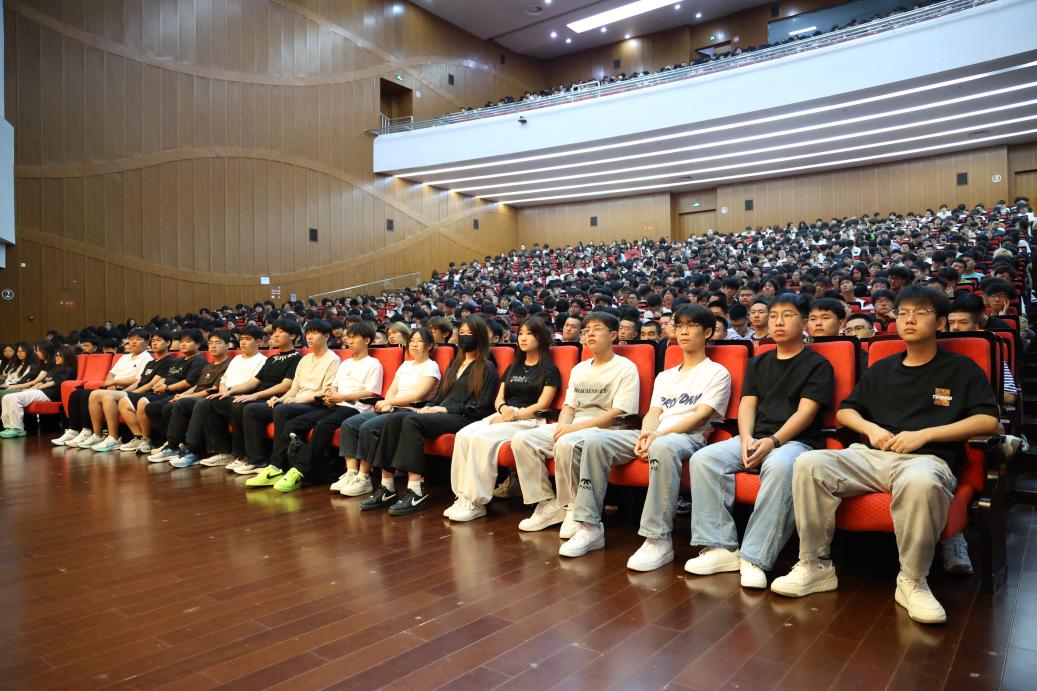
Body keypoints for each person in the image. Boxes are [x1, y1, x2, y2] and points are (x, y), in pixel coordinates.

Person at [772, 286, 1000, 624]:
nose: (909, 319)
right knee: (808, 463)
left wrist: (925, 434)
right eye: (903, 312)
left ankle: (913, 580)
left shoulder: (961, 369)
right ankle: (815, 565)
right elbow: (846, 411)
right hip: (872, 455)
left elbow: (989, 420)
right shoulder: (882, 368)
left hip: (926, 459)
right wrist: (871, 429)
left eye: (920, 313)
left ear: (940, 323)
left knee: (921, 481)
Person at [560, 305, 732, 566]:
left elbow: (700, 416)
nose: (684, 331)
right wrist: (647, 434)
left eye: (692, 325)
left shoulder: (717, 372)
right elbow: (654, 412)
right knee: (595, 442)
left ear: (708, 332)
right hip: (655, 432)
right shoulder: (665, 376)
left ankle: (657, 538)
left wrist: (657, 435)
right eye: (680, 325)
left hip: (688, 436)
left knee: (662, 447)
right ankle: (589, 526)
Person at [685, 293, 833, 589]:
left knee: (780, 465)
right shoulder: (758, 362)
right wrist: (746, 439)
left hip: (795, 442)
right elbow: (747, 404)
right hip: (756, 437)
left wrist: (774, 441)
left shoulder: (818, 364)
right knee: (704, 459)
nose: (778, 322)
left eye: (787, 315)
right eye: (774, 315)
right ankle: (720, 547)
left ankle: (755, 557)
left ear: (804, 322)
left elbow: (806, 413)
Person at [511, 311, 640, 537]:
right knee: (523, 440)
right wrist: (562, 427)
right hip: (575, 426)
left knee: (567, 442)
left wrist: (571, 430)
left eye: (597, 329)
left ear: (613, 335)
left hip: (605, 430)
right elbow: (569, 407)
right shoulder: (579, 368)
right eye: (586, 330)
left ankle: (573, 508)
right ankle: (546, 504)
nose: (590, 334)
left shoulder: (625, 367)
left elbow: (618, 413)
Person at [358, 316, 499, 514]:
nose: (465, 337)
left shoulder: (487, 367)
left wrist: (446, 409)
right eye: (462, 333)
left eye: (470, 334)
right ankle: (387, 486)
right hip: (443, 412)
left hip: (465, 417)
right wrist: (430, 406)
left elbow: (482, 406)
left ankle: (415, 490)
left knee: (412, 420)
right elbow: (441, 396)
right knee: (393, 418)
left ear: (480, 337)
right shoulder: (455, 364)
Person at [445, 316, 561, 522]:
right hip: (504, 414)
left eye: (529, 334)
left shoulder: (549, 369)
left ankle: (476, 502)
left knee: (481, 438)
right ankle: (462, 496)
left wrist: (514, 415)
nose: (523, 338)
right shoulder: (513, 366)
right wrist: (504, 410)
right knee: (463, 435)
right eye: (521, 333)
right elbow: (499, 398)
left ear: (541, 338)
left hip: (529, 420)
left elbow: (543, 405)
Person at [264, 321, 384, 492]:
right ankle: (280, 466)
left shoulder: (373, 364)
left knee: (323, 425)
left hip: (356, 408)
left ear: (367, 340)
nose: (349, 341)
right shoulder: (346, 363)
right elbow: (334, 385)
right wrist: (330, 395)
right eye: (348, 337)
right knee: (293, 424)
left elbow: (371, 392)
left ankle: (299, 470)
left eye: (354, 338)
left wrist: (341, 397)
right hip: (335, 404)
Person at [335, 328, 440, 496]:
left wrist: (389, 402)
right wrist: (387, 403)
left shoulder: (431, 367)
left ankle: (364, 477)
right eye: (412, 341)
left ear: (429, 345)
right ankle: (351, 473)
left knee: (368, 427)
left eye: (419, 341)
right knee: (350, 424)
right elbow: (392, 390)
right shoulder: (406, 365)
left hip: (411, 411)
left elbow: (418, 396)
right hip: (393, 408)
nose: (414, 345)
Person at [181, 322, 297, 470]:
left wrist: (254, 396)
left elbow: (286, 385)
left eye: (280, 332)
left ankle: (251, 458)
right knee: (211, 402)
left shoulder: (296, 358)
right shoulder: (272, 359)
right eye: (274, 332)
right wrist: (229, 392)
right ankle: (223, 452)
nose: (275, 335)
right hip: (258, 396)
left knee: (241, 405)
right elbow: (254, 382)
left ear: (293, 336)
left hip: (272, 398)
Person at [242, 320, 340, 483]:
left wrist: (296, 400)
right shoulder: (305, 359)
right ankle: (258, 460)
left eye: (314, 333)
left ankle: (277, 466)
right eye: (308, 333)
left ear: (326, 337)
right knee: (253, 409)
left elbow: (325, 391)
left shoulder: (333, 359)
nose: (310, 337)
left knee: (282, 410)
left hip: (315, 403)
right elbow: (294, 387)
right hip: (297, 401)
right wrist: (280, 398)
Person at [56, 329, 152, 449]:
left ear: (147, 342)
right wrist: (109, 383)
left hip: (127, 389)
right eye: (131, 339)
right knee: (77, 394)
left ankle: (106, 436)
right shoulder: (124, 357)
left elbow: (139, 380)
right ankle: (77, 431)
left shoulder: (147, 359)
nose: (133, 342)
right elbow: (111, 374)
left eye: (138, 339)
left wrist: (115, 382)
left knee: (93, 394)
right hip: (113, 387)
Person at [145, 331, 233, 461]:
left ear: (227, 345)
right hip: (196, 395)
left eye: (218, 343)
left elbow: (212, 390)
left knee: (181, 403)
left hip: (207, 398)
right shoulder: (209, 365)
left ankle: (187, 449)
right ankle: (175, 445)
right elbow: (196, 386)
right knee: (160, 406)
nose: (213, 346)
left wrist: (186, 397)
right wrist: (182, 395)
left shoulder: (228, 365)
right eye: (211, 343)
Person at [117, 329, 208, 454]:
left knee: (147, 404)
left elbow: (189, 382)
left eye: (187, 341)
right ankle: (168, 441)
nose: (183, 344)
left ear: (197, 344)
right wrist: (160, 384)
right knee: (151, 407)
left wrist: (167, 388)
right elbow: (168, 377)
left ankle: (172, 442)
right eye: (181, 342)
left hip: (178, 393)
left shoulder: (199, 360)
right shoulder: (179, 361)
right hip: (165, 391)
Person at [88, 330, 177, 453]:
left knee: (108, 396)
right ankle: (104, 435)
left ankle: (115, 437)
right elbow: (139, 381)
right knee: (94, 394)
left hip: (148, 393)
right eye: (153, 341)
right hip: (137, 390)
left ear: (168, 343)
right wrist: (125, 391)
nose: (154, 343)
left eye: (158, 340)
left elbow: (151, 384)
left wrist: (132, 393)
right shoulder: (151, 362)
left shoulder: (169, 361)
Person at [1, 344, 73, 438]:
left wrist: (38, 388)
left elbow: (54, 382)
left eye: (59, 356)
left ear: (66, 357)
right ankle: (8, 427)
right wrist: (29, 389)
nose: (56, 357)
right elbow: (42, 382)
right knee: (6, 397)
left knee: (14, 398)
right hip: (41, 391)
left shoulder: (68, 369)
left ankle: (17, 429)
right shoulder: (55, 368)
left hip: (50, 394)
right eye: (56, 355)